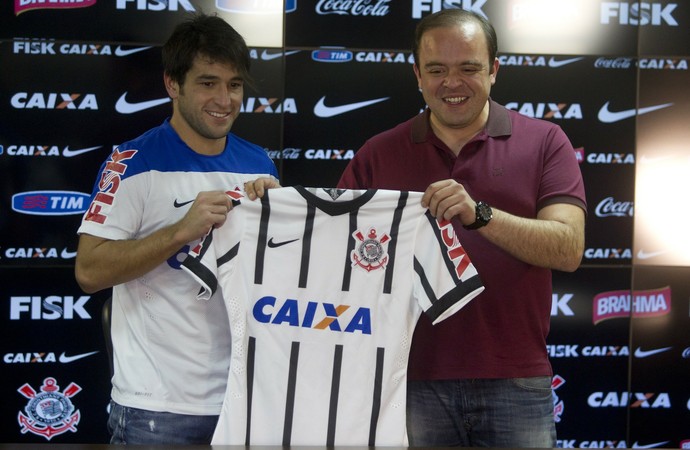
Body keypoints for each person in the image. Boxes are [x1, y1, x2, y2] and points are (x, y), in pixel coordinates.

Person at [337, 8, 586, 448]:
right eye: (437, 70)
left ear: (493, 70)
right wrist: (265, 204)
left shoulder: (546, 141)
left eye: (469, 68)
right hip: (408, 379)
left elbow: (567, 247)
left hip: (516, 378)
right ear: (417, 74)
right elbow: (329, 253)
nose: (452, 83)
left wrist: (480, 215)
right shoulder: (378, 153)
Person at [75, 13, 279, 445]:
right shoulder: (129, 163)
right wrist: (178, 231)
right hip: (157, 407)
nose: (224, 99)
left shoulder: (260, 163)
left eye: (235, 84)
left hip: (244, 398)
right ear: (173, 84)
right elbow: (89, 271)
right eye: (208, 83)